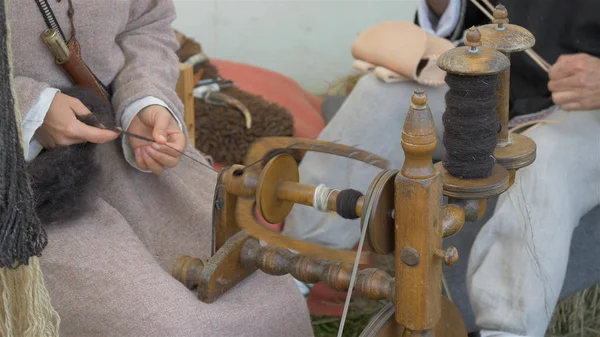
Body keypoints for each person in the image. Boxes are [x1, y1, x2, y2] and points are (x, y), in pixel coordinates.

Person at [283, 0, 600, 336]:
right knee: (381, 95)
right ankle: (292, 273)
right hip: (499, 84)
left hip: (588, 111)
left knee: (543, 158)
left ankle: (505, 330)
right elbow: (466, 22)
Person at [7, 1, 313, 336]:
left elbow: (147, 22)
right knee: (166, 325)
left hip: (124, 143)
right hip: (21, 183)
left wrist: (144, 100)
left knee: (274, 296)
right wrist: (28, 108)